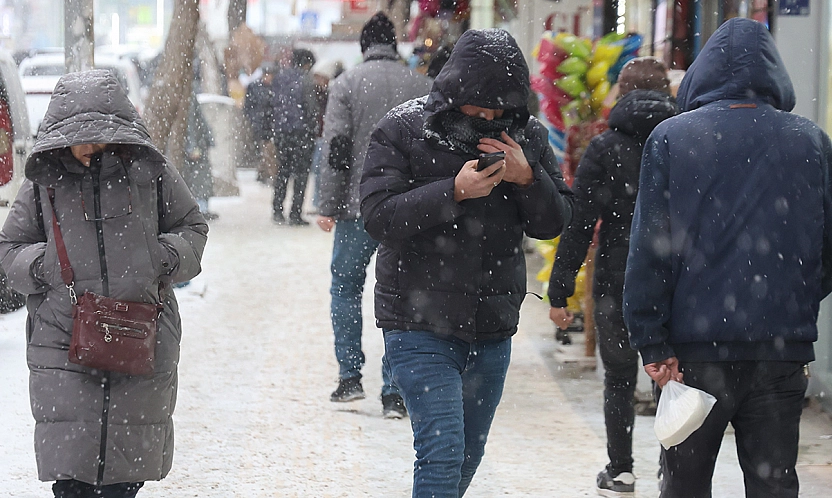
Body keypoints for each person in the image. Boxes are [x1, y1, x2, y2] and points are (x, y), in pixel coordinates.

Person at [623, 18, 832, 497]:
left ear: (702, 73)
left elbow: (649, 248)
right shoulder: (811, 142)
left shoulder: (674, 138)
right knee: (773, 485)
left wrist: (651, 340)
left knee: (685, 484)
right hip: (781, 350)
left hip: (692, 357)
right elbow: (827, 249)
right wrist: (791, 297)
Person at [360, 28, 572, 496]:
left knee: (466, 457)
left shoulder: (527, 136)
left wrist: (527, 178)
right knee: (442, 454)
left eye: (500, 111)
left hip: (492, 324)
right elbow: (377, 216)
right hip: (417, 320)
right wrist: (451, 192)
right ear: (455, 92)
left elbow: (555, 221)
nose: (490, 119)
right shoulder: (404, 128)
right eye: (480, 108)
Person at [0, 69, 208, 498]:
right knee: (71, 471)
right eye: (79, 138)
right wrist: (48, 267)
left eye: (98, 136)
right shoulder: (43, 182)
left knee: (124, 475)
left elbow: (192, 227)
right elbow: (9, 249)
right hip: (62, 338)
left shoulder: (150, 172)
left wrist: (160, 258)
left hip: (139, 332)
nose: (89, 148)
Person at [547, 57, 679, 496]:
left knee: (619, 374)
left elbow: (579, 223)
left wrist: (560, 289)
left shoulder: (605, 148)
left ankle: (621, 469)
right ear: (667, 93)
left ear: (621, 94)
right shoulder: (685, 142)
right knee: (670, 372)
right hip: (674, 275)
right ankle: (672, 467)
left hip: (617, 274)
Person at [317, 11, 432, 418]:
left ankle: (350, 377)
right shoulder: (421, 86)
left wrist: (328, 204)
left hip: (356, 207)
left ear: (364, 46)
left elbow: (335, 148)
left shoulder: (345, 84)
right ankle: (394, 390)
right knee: (401, 298)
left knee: (346, 289)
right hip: (407, 208)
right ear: (395, 45)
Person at [271, 48, 320, 226]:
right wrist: (312, 127)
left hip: (282, 132)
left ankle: (277, 210)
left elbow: (273, 105)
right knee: (301, 174)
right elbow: (311, 107)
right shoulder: (306, 79)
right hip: (301, 133)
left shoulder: (279, 78)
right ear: (307, 64)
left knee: (283, 171)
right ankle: (295, 213)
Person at [184, 89, 217, 220]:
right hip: (196, 145)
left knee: (199, 178)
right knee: (199, 178)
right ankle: (200, 209)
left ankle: (201, 208)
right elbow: (192, 122)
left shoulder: (187, 94)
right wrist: (192, 146)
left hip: (198, 144)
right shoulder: (187, 95)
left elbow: (196, 120)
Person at [243, 63, 277, 184]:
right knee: (264, 149)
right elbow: (248, 106)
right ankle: (265, 173)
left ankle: (264, 172)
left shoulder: (274, 88)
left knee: (267, 150)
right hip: (261, 124)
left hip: (269, 125)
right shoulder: (255, 87)